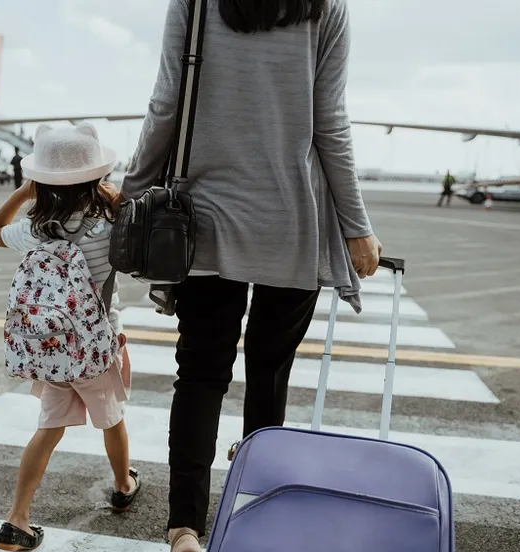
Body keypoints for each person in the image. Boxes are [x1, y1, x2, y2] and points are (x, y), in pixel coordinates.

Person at [117, 1, 382, 550]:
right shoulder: (326, 7)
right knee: (270, 374)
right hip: (292, 224)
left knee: (200, 375)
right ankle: (259, 509)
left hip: (205, 223)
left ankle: (185, 526)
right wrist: (356, 227)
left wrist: (131, 194)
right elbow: (329, 118)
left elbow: (166, 104)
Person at [0, 123, 141, 551]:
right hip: (96, 350)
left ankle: (17, 520)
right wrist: (118, 199)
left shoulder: (36, 230)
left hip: (51, 350)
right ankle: (124, 484)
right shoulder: (107, 227)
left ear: (43, 182)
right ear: (95, 177)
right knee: (112, 420)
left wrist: (22, 193)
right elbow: (142, 231)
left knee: (48, 430)